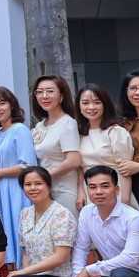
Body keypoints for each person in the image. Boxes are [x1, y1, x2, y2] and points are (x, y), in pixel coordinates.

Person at [2, 166, 78, 277]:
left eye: (38, 183)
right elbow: (25, 252)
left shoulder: (62, 214)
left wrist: (22, 273)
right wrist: (24, 274)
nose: (33, 188)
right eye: (28, 184)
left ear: (49, 186)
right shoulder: (25, 214)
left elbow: (61, 257)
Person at [0, 86, 36, 266]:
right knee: (7, 232)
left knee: (20, 230)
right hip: (2, 192)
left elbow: (28, 165)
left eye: (2, 103)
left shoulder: (20, 130)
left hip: (18, 190)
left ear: (11, 105)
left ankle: (25, 272)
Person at [78, 84, 136, 208]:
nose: (91, 107)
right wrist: (81, 191)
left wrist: (124, 202)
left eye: (97, 102)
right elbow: (80, 169)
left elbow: (125, 170)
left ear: (105, 104)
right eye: (85, 103)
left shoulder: (116, 132)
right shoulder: (80, 134)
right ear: (79, 106)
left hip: (114, 191)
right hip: (90, 193)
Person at [31, 74, 83, 213]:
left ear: (61, 96)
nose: (44, 96)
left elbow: (73, 161)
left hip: (63, 191)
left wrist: (43, 177)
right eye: (40, 92)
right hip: (43, 192)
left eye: (50, 91)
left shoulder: (67, 123)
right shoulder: (39, 126)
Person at [120, 71, 139, 208]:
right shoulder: (122, 123)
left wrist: (138, 166)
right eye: (133, 88)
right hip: (132, 184)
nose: (138, 92)